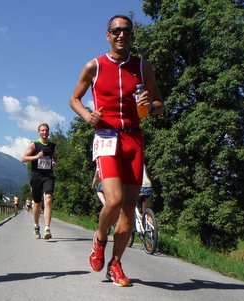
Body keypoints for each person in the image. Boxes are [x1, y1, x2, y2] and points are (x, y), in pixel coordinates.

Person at [69, 15, 164, 286]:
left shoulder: (143, 66)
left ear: (132, 36)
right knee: (113, 199)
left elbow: (159, 104)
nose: (122, 35)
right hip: (107, 137)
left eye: (127, 31)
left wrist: (152, 105)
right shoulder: (94, 66)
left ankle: (116, 264)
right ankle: (99, 240)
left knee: (128, 209)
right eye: (116, 31)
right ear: (108, 35)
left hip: (134, 140)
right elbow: (73, 98)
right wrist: (86, 115)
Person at [21, 123, 57, 239]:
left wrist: (54, 162)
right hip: (36, 176)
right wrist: (36, 157)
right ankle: (36, 225)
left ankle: (47, 228)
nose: (45, 132)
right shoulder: (34, 144)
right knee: (37, 203)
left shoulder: (52, 146)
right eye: (42, 130)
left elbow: (55, 157)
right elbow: (23, 158)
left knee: (48, 199)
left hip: (48, 176)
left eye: (46, 130)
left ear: (48, 132)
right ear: (38, 132)